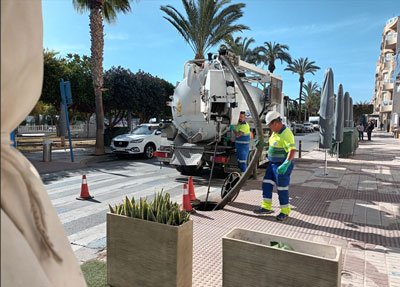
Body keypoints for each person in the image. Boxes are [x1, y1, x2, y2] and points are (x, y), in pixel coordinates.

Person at [253, 111, 296, 221]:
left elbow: (292, 150)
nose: (269, 128)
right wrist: (263, 144)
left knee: (282, 188)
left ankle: (285, 211)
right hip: (272, 164)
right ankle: (266, 207)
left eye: (269, 125)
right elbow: (272, 143)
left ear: (275, 123)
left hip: (282, 165)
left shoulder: (286, 133)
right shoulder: (275, 132)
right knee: (266, 184)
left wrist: (286, 164)